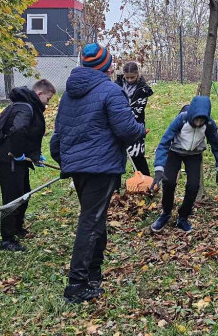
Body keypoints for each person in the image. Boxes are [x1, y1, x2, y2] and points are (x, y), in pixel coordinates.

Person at [50, 43, 146, 304]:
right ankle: (76, 285)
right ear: (106, 66)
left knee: (95, 218)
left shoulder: (69, 94)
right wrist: (140, 130)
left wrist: (64, 160)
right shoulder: (110, 91)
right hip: (101, 167)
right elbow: (126, 129)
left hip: (78, 167)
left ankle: (93, 273)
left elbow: (58, 134)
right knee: (90, 222)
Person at [0, 79, 57, 253]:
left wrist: (33, 156)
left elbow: (27, 133)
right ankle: (7, 240)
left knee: (24, 194)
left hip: (18, 160)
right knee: (13, 199)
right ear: (40, 93)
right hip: (10, 160)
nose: (47, 104)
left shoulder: (26, 106)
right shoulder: (25, 108)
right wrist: (18, 153)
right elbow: (19, 130)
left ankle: (17, 228)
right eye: (48, 99)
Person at [150, 95, 218, 233]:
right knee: (168, 182)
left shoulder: (209, 125)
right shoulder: (181, 119)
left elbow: (216, 145)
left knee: (193, 186)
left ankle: (183, 217)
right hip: (175, 152)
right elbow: (164, 142)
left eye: (201, 120)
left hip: (194, 155)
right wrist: (159, 168)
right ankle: (166, 213)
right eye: (196, 120)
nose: (198, 123)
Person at [115, 61, 155, 183]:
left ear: (137, 74)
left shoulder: (143, 89)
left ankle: (146, 183)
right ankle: (114, 186)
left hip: (135, 124)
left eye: (132, 77)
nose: (130, 80)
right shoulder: (116, 85)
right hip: (117, 124)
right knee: (115, 156)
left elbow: (138, 109)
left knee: (137, 155)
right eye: (127, 77)